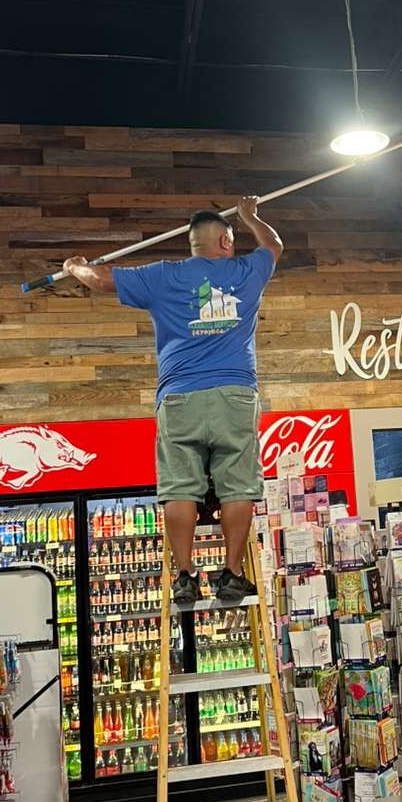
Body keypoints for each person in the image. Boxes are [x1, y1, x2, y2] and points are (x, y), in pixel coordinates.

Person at [62, 198, 282, 605]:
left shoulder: (163, 276)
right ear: (225, 241)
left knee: (180, 488)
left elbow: (100, 280)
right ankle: (232, 574)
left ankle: (185, 575)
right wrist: (251, 216)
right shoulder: (246, 271)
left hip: (179, 396)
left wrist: (75, 266)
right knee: (237, 487)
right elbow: (273, 245)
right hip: (235, 394)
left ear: (192, 243)